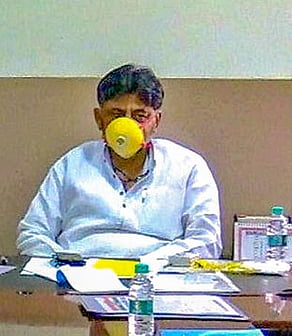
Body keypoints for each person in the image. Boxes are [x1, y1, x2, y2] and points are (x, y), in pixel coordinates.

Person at [17, 64, 221, 260]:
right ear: (99, 119)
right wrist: (65, 264)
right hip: (77, 279)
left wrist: (154, 263)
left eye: (140, 116)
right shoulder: (72, 164)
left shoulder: (188, 167)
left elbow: (206, 241)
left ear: (156, 121)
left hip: (158, 279)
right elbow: (32, 234)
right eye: (117, 115)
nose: (127, 125)